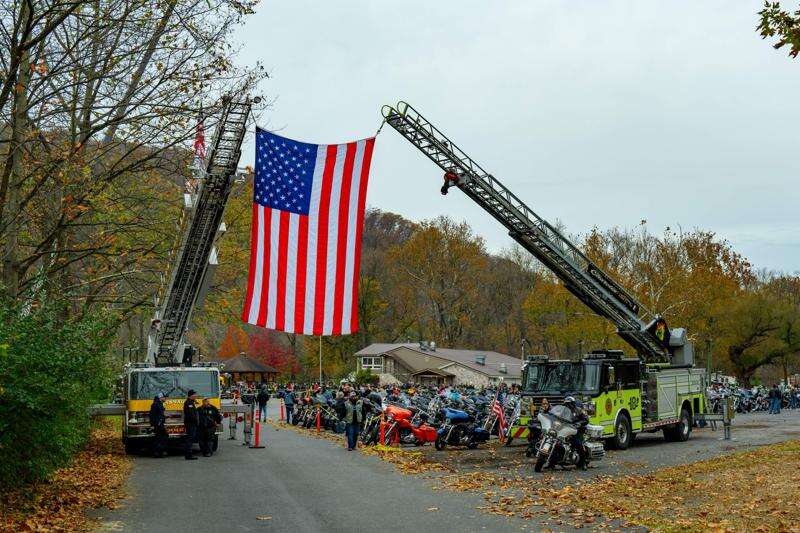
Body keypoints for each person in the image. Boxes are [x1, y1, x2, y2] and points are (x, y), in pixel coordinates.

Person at [563, 396, 589, 470]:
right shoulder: (563, 412)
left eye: (569, 404)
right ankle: (551, 463)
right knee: (556, 442)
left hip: (577, 430)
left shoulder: (579, 410)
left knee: (578, 444)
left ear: (573, 404)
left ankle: (583, 463)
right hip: (565, 430)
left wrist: (579, 423)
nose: (567, 406)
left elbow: (586, 419)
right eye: (566, 404)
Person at [149, 393, 167, 458]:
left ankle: (158, 452)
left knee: (160, 437)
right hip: (157, 424)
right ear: (161, 398)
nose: (165, 398)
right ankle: (158, 452)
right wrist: (152, 425)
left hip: (160, 424)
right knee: (161, 437)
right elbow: (152, 415)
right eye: (164, 397)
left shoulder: (159, 404)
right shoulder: (155, 404)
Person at [183, 390, 200, 460]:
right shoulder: (188, 403)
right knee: (190, 439)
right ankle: (188, 454)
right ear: (191, 395)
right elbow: (191, 415)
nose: (196, 396)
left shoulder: (191, 403)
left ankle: (189, 454)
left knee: (190, 438)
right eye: (195, 395)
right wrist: (195, 421)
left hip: (191, 423)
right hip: (190, 424)